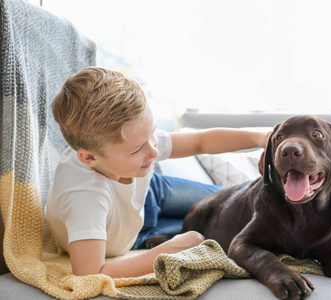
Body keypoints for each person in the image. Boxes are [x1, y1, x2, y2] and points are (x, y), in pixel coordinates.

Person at [45, 67, 269, 278]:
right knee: (215, 232)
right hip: (131, 236)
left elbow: (200, 142)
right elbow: (89, 274)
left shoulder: (137, 141)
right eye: (136, 150)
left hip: (150, 192)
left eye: (151, 133)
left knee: (233, 204)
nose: (154, 150)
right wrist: (171, 248)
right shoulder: (85, 196)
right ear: (89, 158)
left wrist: (258, 138)